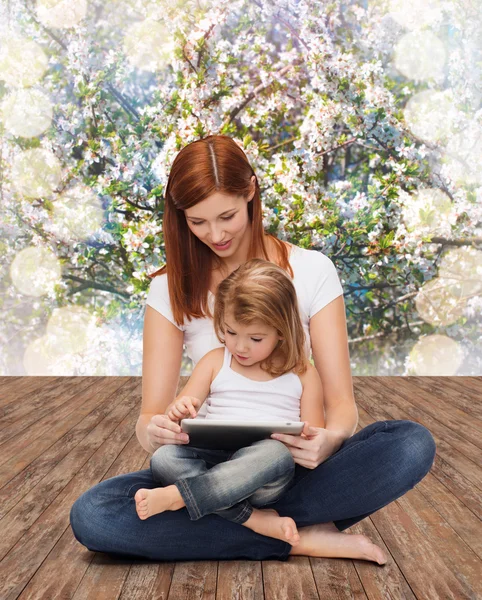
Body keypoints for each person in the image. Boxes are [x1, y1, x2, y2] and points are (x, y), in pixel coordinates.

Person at [70, 134, 436, 564]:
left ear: (251, 192)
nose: (216, 234)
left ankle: (234, 520)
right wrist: (156, 429)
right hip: (201, 463)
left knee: (410, 443)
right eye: (197, 222)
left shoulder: (313, 270)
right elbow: (149, 418)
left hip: (285, 466)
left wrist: (329, 439)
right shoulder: (168, 289)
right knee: (93, 515)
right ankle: (293, 534)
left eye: (226, 215)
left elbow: (341, 405)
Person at [135, 258, 325, 549]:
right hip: (212, 462)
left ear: (282, 331)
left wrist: (306, 440)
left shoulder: (303, 374)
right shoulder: (215, 361)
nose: (240, 346)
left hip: (263, 476)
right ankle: (253, 520)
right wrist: (179, 410)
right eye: (231, 332)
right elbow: (183, 408)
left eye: (256, 338)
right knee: (164, 458)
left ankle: (178, 497)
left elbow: (314, 439)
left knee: (275, 454)